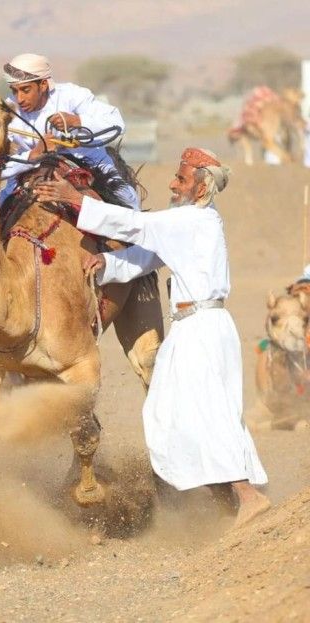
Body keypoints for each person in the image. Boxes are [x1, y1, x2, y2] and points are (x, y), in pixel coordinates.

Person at [35, 147, 270, 528]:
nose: (172, 183)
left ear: (200, 187)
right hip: (190, 326)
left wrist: (76, 200)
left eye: (180, 178)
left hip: (202, 328)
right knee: (170, 413)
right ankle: (229, 499)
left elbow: (136, 226)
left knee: (205, 411)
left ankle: (247, 496)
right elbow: (148, 256)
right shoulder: (187, 224)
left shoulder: (195, 222)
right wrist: (107, 263)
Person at [0, 53, 139, 209]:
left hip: (91, 164)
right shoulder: (8, 109)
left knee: (128, 203)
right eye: (14, 91)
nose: (19, 99)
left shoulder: (71, 95)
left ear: (43, 84)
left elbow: (117, 124)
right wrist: (32, 155)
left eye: (25, 90)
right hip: (29, 169)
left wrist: (76, 121)